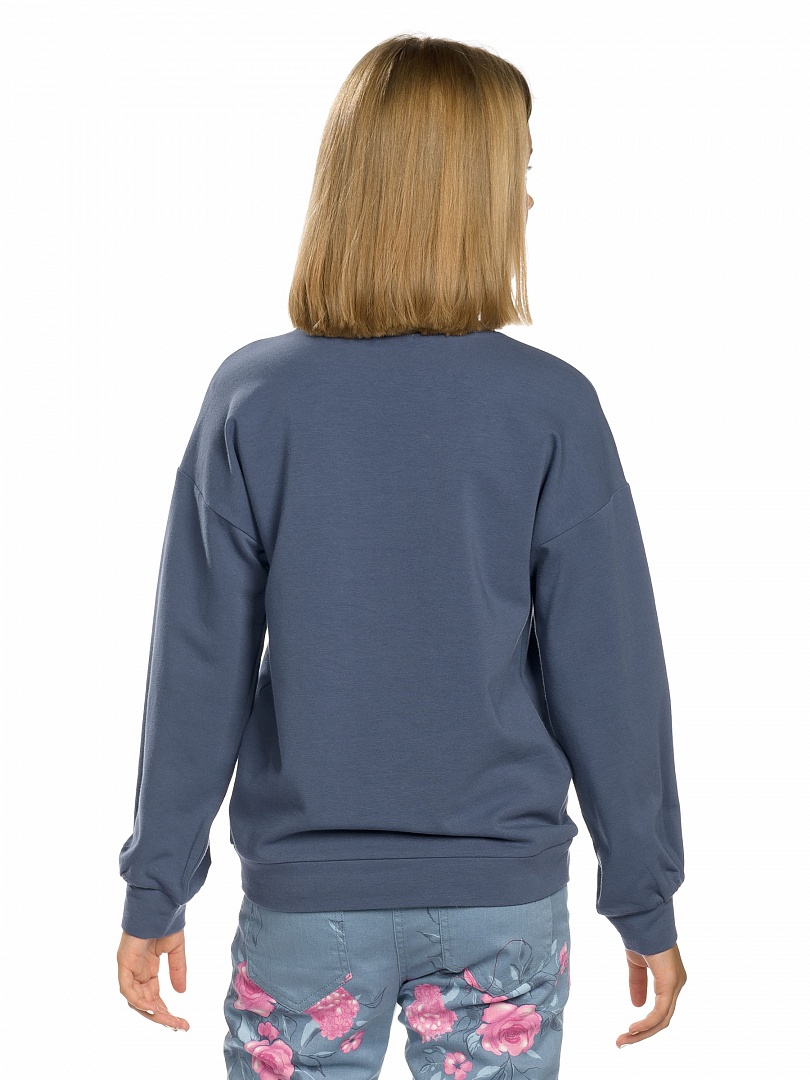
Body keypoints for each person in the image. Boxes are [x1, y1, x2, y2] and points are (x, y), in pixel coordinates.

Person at [116, 33, 687, 1077]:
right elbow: (609, 677)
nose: (529, 198)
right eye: (519, 170)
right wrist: (642, 895)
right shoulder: (551, 407)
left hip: (307, 908)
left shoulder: (253, 398)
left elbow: (198, 669)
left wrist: (158, 885)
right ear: (470, 196)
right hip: (502, 903)